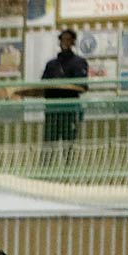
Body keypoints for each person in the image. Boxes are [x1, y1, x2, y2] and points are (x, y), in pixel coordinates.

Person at [40, 30, 90, 159]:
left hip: (70, 109)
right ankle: (45, 173)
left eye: (68, 39)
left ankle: (68, 174)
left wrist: (62, 84)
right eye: (63, 39)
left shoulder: (79, 62)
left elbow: (82, 85)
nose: (65, 42)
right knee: (49, 145)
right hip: (52, 109)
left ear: (73, 42)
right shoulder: (51, 65)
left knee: (69, 146)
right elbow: (43, 85)